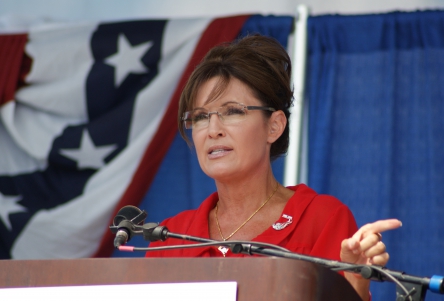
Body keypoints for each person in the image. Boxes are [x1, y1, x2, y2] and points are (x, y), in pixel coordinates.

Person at [145, 34, 402, 301]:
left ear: (274, 126)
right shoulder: (169, 237)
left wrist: (355, 282)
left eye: (232, 111)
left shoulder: (322, 219)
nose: (212, 130)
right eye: (199, 117)